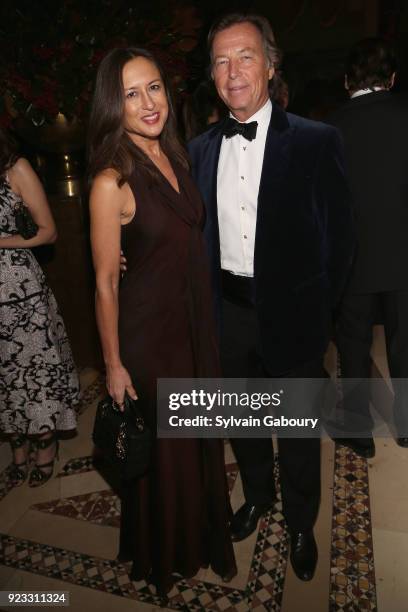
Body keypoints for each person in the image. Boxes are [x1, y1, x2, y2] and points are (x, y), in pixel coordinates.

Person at [188, 12, 354, 581]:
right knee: (244, 419)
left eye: (245, 56)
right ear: (211, 74)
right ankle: (257, 495)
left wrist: (318, 309)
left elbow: (341, 239)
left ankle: (302, 521)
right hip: (227, 314)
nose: (233, 71)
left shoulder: (315, 140)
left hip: (294, 315)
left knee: (300, 430)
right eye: (221, 60)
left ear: (271, 64)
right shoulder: (199, 149)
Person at [87, 47, 236, 596]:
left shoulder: (176, 155)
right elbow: (104, 281)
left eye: (154, 88)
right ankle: (166, 553)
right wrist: (113, 364)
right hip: (151, 338)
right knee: (168, 455)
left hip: (194, 325)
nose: (148, 103)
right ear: (113, 104)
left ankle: (200, 535)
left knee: (199, 440)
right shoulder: (110, 179)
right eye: (131, 94)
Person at [329, 38, 408, 456]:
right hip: (404, 255)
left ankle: (358, 431)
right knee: (406, 342)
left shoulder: (329, 128)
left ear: (347, 82)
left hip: (352, 260)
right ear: (391, 79)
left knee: (354, 345)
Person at [0, 129, 79, 488]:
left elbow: (48, 232)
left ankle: (45, 445)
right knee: (4, 379)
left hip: (21, 296)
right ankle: (17, 443)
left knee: (32, 374)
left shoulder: (15, 168)